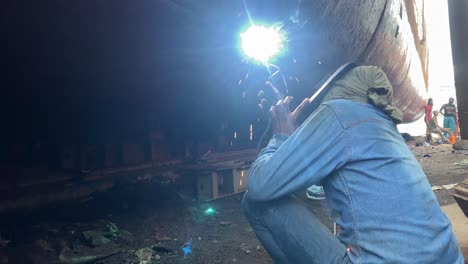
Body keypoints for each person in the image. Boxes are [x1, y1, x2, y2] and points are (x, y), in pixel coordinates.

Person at [242, 66, 463, 263]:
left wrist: (280, 137)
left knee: (254, 202)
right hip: (450, 257)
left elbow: (261, 185)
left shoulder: (338, 111)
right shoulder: (384, 126)